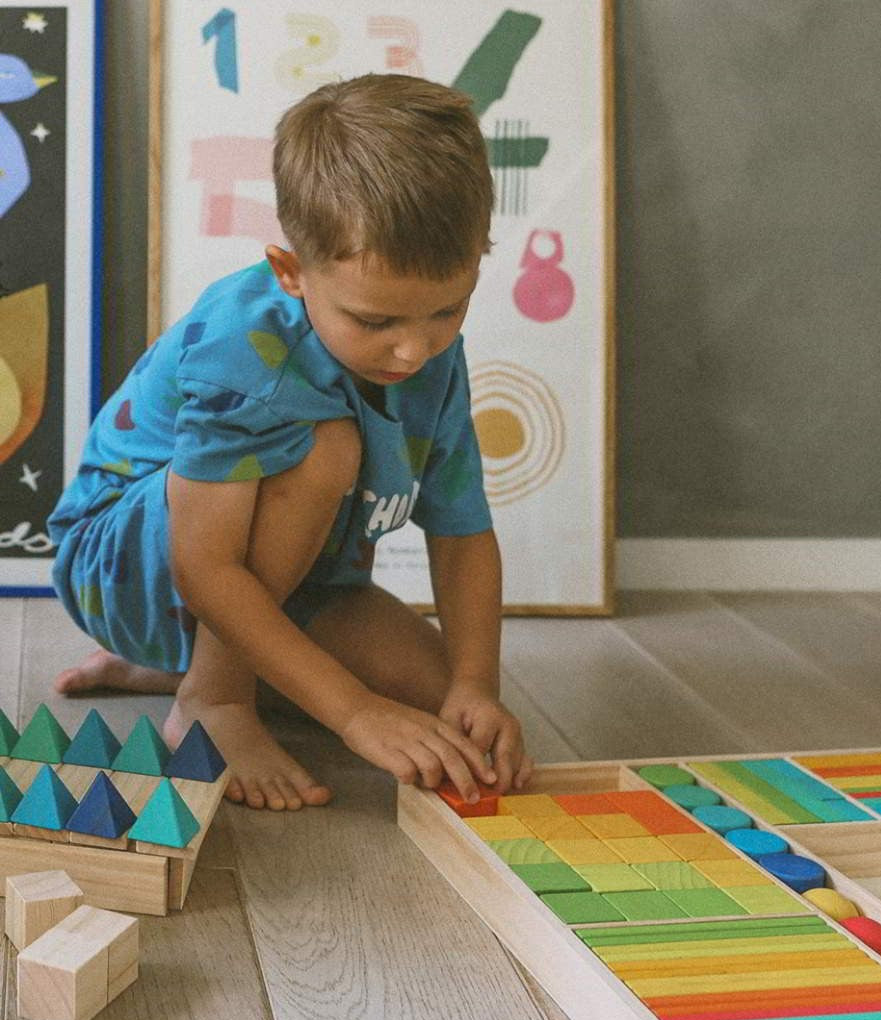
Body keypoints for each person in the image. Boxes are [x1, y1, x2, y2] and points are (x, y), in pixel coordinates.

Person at [47, 73, 532, 812]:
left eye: (447, 308)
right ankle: (212, 698)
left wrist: (476, 683)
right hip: (130, 564)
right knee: (324, 447)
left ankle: (180, 667)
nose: (413, 351)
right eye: (376, 323)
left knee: (440, 706)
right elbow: (204, 566)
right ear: (290, 273)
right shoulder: (245, 351)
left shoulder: (428, 352)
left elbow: (463, 534)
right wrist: (352, 711)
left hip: (296, 576)